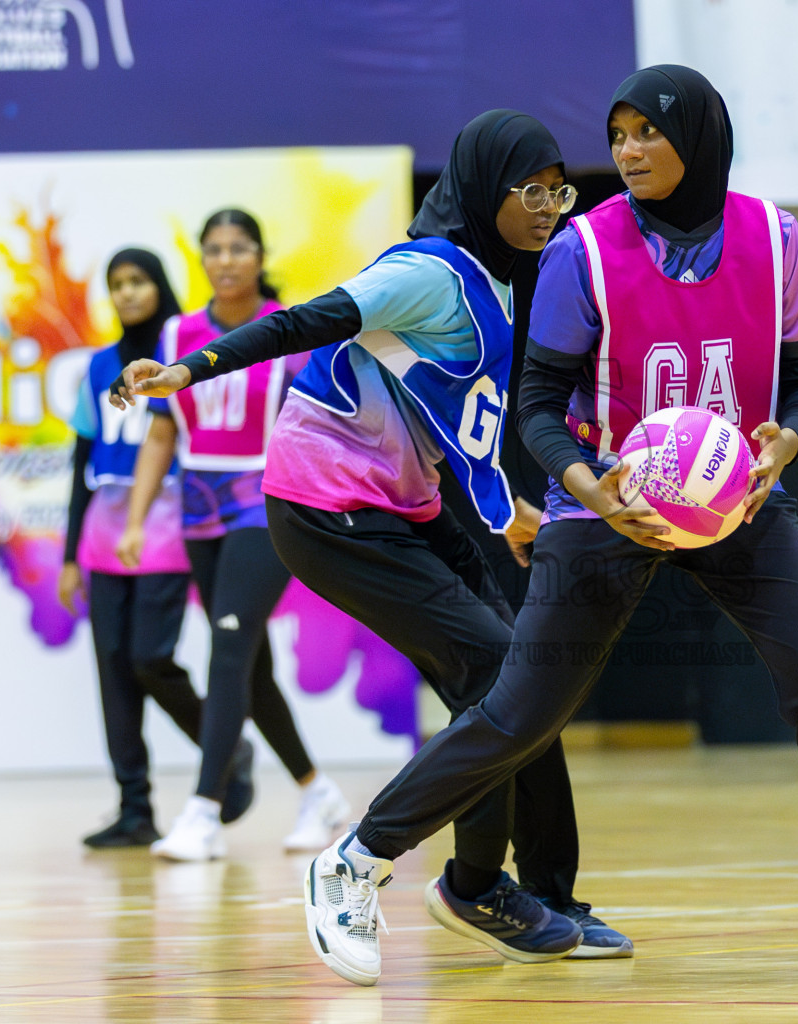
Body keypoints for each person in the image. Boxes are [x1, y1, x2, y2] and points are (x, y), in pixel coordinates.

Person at [259, 66, 798, 985]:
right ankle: (355, 861)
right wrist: (590, 487)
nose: (629, 150)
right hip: (607, 503)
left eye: (649, 131)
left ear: (701, 137)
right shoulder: (584, 249)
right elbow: (535, 402)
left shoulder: (777, 237)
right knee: (521, 707)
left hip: (739, 502)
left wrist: (786, 445)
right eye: (619, 133)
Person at [110, 111, 630, 970]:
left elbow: (452, 421)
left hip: (405, 506)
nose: (550, 208)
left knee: (528, 670)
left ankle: (542, 890)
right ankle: (401, 870)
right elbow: (301, 323)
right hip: (324, 509)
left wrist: (506, 513)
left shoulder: (500, 281)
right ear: (481, 191)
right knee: (505, 672)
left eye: (559, 191)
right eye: (531, 192)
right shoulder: (425, 271)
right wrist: (188, 369)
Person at [116, 210, 346, 861]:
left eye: (238, 248)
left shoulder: (289, 330)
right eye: (213, 249)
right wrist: (134, 519)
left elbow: (316, 426)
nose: (225, 260)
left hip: (264, 505)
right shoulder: (175, 332)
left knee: (227, 647)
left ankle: (203, 812)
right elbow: (162, 430)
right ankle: (318, 791)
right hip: (198, 510)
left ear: (259, 255)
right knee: (250, 664)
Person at [60, 248, 253, 848]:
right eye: (116, 284)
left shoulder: (181, 355)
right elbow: (79, 463)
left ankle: (225, 752)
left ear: (159, 285)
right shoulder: (95, 369)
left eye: (138, 280)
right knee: (113, 671)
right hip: (102, 532)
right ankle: (134, 808)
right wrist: (69, 554)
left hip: (168, 523)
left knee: (149, 657)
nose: (127, 293)